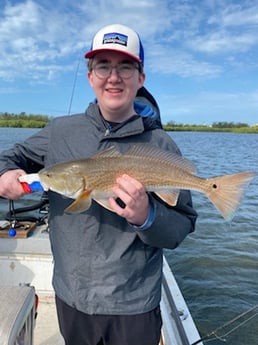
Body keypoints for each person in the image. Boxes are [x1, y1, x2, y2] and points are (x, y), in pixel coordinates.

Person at [0, 24, 197, 345]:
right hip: (71, 297)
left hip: (134, 306)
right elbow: (10, 157)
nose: (113, 77)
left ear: (141, 78)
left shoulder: (160, 145)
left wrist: (146, 216)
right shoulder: (60, 132)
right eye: (103, 66)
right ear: (90, 76)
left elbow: (180, 229)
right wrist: (6, 173)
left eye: (125, 67)